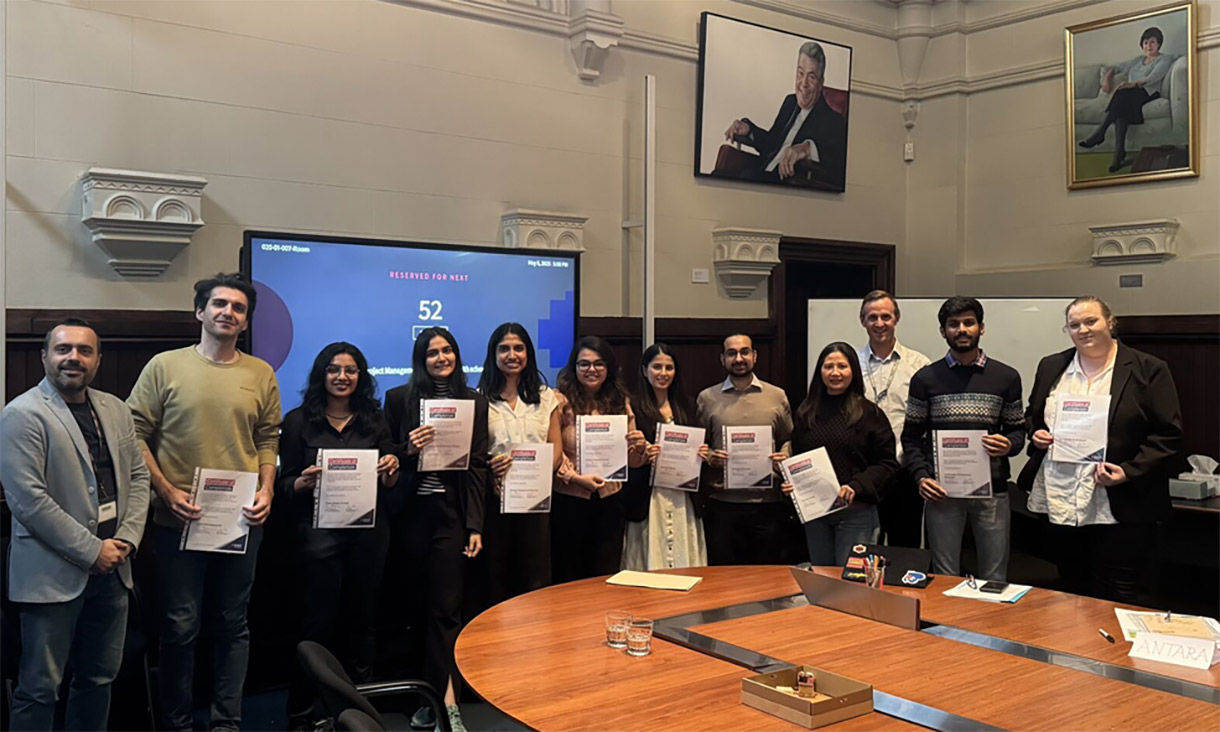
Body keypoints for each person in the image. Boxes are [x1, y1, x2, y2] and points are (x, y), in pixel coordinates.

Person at [127, 273, 281, 732]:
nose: (227, 313)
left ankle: (226, 721)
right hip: (179, 519)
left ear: (245, 320)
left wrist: (267, 488)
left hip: (241, 520)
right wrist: (165, 490)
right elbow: (133, 433)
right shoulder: (164, 366)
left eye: (237, 308)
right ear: (200, 312)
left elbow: (268, 437)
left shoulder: (260, 373)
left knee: (233, 625)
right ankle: (175, 723)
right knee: (179, 627)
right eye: (219, 304)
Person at [1, 319, 149, 731]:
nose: (74, 358)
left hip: (115, 569)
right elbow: (28, 501)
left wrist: (127, 539)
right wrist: (92, 550)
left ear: (98, 359)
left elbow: (138, 477)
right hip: (52, 574)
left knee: (98, 679)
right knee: (39, 687)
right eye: (63, 349)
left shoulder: (115, 409)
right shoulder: (22, 414)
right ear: (45, 356)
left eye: (85, 351)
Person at [1019, 296, 1181, 604]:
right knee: (1070, 591)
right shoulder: (1052, 365)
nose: (1083, 330)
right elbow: (1033, 414)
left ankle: (1113, 653)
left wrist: (1129, 471)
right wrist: (1036, 433)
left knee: (1117, 595)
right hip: (1061, 497)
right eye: (1074, 324)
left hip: (1119, 502)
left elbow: (1168, 433)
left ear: (1110, 322)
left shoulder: (1148, 369)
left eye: (1091, 321)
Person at [278, 342, 400, 728]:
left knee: (362, 623)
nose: (342, 377)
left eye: (350, 370)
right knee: (316, 627)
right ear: (322, 374)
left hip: (368, 537)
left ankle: (360, 713)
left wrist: (392, 468)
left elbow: (390, 481)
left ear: (360, 377)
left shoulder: (374, 419)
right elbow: (283, 484)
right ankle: (303, 714)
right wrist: (302, 482)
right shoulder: (298, 420)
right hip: (318, 539)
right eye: (334, 370)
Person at [384, 327, 487, 732]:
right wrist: (407, 450)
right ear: (420, 359)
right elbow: (386, 452)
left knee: (446, 609)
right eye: (432, 353)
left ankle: (447, 703)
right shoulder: (398, 399)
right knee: (414, 608)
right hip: (409, 513)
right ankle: (422, 696)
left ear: (457, 356)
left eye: (447, 351)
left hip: (451, 514)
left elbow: (477, 466)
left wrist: (475, 524)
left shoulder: (474, 401)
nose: (441, 358)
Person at [901, 297, 1024, 581]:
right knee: (944, 577)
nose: (962, 329)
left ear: (982, 328)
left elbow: (1018, 431)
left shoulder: (1006, 377)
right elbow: (911, 437)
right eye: (953, 324)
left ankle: (991, 625)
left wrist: (1009, 445)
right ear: (943, 331)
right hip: (942, 491)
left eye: (969, 322)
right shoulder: (925, 379)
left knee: (995, 575)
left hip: (992, 490)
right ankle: (946, 627)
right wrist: (921, 477)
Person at [784, 343, 898, 566]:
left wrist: (856, 485)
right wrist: (791, 484)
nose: (835, 373)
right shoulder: (805, 413)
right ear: (820, 372)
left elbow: (887, 464)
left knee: (852, 586)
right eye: (828, 366)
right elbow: (797, 458)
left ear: (853, 371)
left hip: (856, 514)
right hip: (816, 515)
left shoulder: (870, 414)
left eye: (842, 366)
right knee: (823, 583)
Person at [476, 323, 564, 606]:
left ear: (528, 354)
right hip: (495, 501)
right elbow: (477, 453)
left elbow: (557, 451)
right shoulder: (479, 398)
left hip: (535, 503)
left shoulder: (545, 396)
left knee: (534, 579)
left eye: (518, 348)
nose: (511, 355)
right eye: (504, 349)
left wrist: (535, 477)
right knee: (495, 578)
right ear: (493, 354)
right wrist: (491, 467)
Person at [696, 334, 799, 566]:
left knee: (766, 579)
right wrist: (711, 457)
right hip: (722, 505)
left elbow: (789, 438)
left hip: (767, 504)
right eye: (732, 353)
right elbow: (698, 446)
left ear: (755, 356)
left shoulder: (776, 396)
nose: (738, 358)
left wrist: (785, 455)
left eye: (744, 352)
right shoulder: (707, 398)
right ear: (723, 359)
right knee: (725, 580)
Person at [552, 336, 647, 583]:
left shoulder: (620, 402)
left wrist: (639, 447)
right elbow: (553, 450)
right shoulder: (559, 401)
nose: (591, 370)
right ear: (574, 367)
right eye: (584, 364)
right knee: (568, 576)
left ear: (609, 368)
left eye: (599, 364)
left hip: (609, 501)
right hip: (569, 500)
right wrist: (574, 478)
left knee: (604, 576)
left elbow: (633, 462)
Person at [622, 344, 710, 571]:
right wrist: (643, 452)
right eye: (657, 367)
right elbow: (626, 454)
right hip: (649, 496)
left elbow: (701, 445)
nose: (663, 373)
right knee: (651, 554)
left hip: (683, 493)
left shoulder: (688, 405)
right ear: (644, 371)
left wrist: (702, 453)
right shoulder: (633, 406)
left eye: (669, 368)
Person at [856, 290, 931, 548]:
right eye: (872, 317)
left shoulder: (919, 364)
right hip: (863, 472)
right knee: (864, 547)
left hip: (905, 470)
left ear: (896, 318)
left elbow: (927, 420)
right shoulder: (851, 364)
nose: (879, 324)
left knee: (906, 547)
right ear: (862, 321)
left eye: (885, 316)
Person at [723, 41, 847, 189]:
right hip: (760, 171)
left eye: (812, 77)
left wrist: (808, 148)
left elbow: (837, 164)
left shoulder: (833, 120)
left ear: (821, 83)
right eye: (800, 73)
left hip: (784, 185)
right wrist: (749, 130)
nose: (803, 83)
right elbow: (771, 143)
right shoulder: (790, 102)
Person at [1078, 27, 1176, 173]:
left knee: (1122, 92)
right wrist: (1107, 78)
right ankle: (1118, 154)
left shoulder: (1164, 59)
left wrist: (1133, 83)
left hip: (1148, 92)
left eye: (1152, 42)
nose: (1149, 45)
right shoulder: (1137, 61)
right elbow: (1116, 68)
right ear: (1142, 45)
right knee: (1121, 111)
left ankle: (1100, 133)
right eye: (1146, 42)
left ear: (1159, 44)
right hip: (1131, 95)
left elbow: (1154, 77)